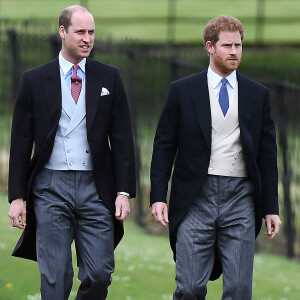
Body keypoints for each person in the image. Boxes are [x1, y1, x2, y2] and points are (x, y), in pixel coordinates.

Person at [8, 5, 135, 300]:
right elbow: (20, 140)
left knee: (100, 274)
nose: (87, 38)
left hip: (96, 188)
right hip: (50, 187)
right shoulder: (34, 80)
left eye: (91, 32)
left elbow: (123, 140)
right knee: (55, 277)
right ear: (63, 32)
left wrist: (123, 192)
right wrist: (17, 197)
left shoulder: (110, 77)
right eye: (80, 31)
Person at [150, 15, 281, 299]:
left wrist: (271, 207)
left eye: (238, 45)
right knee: (189, 288)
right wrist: (158, 195)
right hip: (196, 197)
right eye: (227, 46)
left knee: (238, 289)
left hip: (241, 199)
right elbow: (163, 146)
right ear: (210, 47)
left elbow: (267, 156)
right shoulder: (182, 91)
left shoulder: (258, 95)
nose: (234, 51)